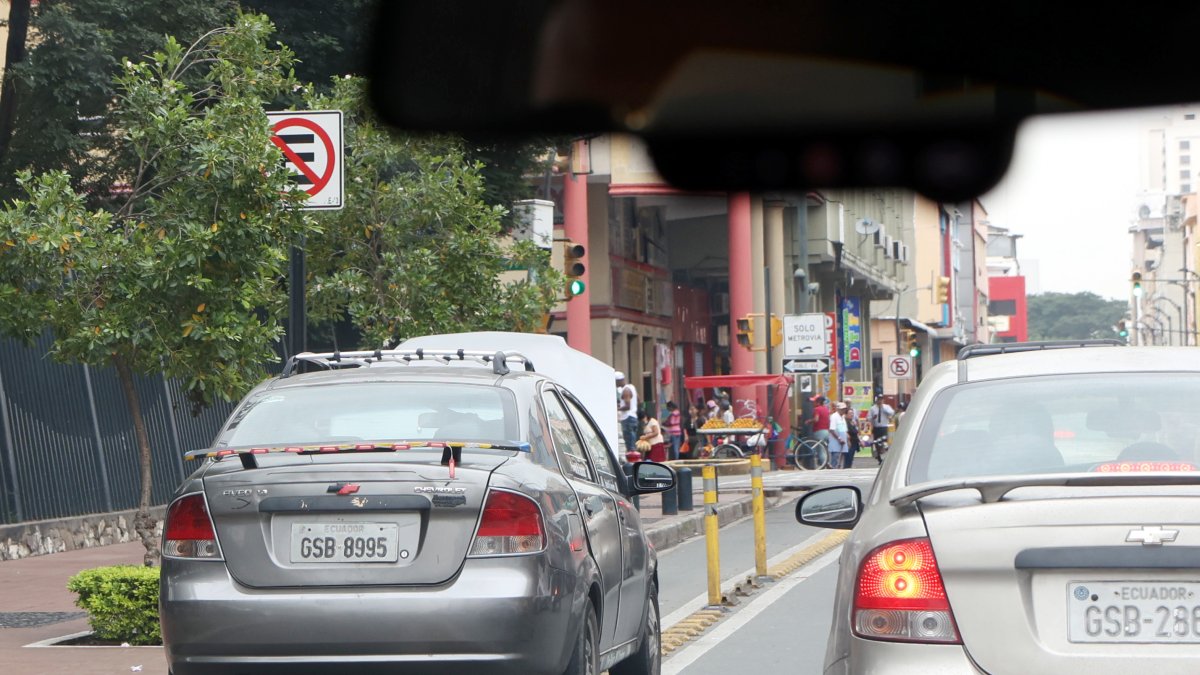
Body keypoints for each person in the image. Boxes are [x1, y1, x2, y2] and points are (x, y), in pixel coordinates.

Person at [616, 372, 639, 454]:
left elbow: (627, 406)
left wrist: (617, 408)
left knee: (629, 444)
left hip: (627, 418)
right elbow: (638, 400)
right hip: (633, 417)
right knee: (632, 441)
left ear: (619, 381)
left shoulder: (625, 390)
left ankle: (631, 457)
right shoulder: (632, 387)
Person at [828, 401, 849, 470]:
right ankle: (833, 468)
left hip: (843, 439)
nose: (843, 410)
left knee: (841, 455)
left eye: (844, 409)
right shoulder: (834, 416)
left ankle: (837, 467)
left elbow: (844, 429)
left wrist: (847, 438)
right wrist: (839, 438)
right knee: (835, 455)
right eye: (842, 409)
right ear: (838, 409)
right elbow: (832, 430)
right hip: (836, 440)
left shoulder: (842, 417)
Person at [844, 403, 861, 468]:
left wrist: (860, 441)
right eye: (850, 413)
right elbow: (846, 432)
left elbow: (856, 432)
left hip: (854, 442)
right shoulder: (845, 422)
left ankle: (848, 467)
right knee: (848, 458)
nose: (852, 414)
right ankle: (846, 468)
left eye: (852, 413)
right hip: (849, 443)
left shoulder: (853, 422)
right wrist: (848, 440)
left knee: (851, 458)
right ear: (846, 415)